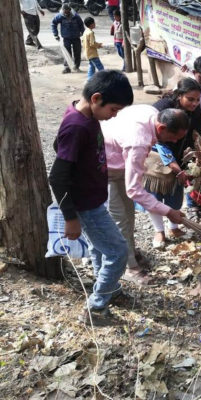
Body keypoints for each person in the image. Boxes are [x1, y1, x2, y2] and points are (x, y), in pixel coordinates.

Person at [48, 70, 134, 326]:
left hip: (94, 198)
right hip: (85, 205)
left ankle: (107, 287)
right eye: (114, 109)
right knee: (118, 252)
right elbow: (57, 177)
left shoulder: (82, 113)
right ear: (96, 98)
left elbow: (57, 146)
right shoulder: (76, 126)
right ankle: (95, 308)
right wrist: (70, 218)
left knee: (101, 248)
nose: (114, 115)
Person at [102, 106, 188, 284]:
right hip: (107, 166)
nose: (173, 141)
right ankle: (129, 268)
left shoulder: (151, 112)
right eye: (173, 137)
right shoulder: (138, 142)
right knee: (119, 220)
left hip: (121, 160)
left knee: (128, 215)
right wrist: (168, 211)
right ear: (161, 128)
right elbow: (133, 189)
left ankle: (130, 252)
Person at [148, 78, 201, 248]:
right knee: (154, 196)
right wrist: (175, 167)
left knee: (175, 195)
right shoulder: (161, 108)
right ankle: (159, 231)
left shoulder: (196, 112)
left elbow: (196, 137)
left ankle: (174, 227)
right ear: (179, 95)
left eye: (198, 99)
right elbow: (158, 143)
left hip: (180, 156)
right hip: (156, 158)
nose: (195, 103)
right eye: (190, 99)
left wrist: (193, 162)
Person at [51, 4, 85, 74]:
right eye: (65, 12)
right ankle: (67, 68)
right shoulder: (59, 16)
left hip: (76, 37)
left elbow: (81, 25)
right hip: (66, 38)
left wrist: (83, 33)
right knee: (67, 53)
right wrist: (55, 34)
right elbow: (53, 24)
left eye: (67, 12)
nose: (66, 13)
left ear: (70, 10)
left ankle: (76, 66)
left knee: (77, 52)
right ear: (63, 11)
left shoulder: (76, 16)